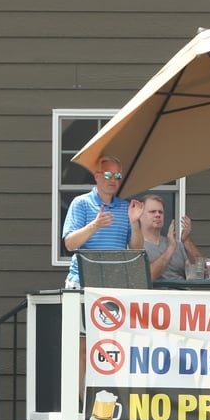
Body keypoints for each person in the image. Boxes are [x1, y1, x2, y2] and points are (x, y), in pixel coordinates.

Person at [61, 155, 144, 405]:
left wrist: (134, 222)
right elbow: (69, 243)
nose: (113, 180)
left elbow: (136, 248)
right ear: (96, 175)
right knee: (83, 348)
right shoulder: (81, 204)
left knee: (115, 348)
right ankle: (86, 407)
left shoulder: (125, 207)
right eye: (108, 175)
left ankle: (111, 409)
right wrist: (95, 225)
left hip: (115, 288)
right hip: (83, 284)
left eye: (117, 176)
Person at [139, 194, 203, 280]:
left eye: (160, 212)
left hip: (184, 292)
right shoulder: (135, 246)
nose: (158, 215)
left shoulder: (177, 244)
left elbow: (202, 269)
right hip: (158, 292)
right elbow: (148, 277)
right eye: (152, 212)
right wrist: (171, 248)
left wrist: (186, 241)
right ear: (140, 215)